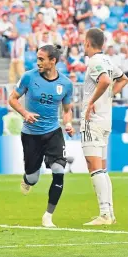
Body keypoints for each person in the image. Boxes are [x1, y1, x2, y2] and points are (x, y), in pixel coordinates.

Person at [9, 44, 74, 228]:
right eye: (37, 58)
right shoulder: (29, 77)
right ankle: (27, 179)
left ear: (52, 61)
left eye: (41, 59)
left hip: (53, 132)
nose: (37, 62)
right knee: (33, 178)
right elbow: (12, 99)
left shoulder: (66, 84)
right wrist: (25, 113)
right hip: (31, 135)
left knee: (59, 171)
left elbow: (67, 110)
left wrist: (68, 123)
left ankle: (48, 216)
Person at [80, 28, 128, 225]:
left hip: (93, 120)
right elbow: (123, 78)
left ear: (89, 43)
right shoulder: (108, 60)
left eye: (84, 42)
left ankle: (105, 214)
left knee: (94, 166)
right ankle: (109, 213)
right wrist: (109, 96)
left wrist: (92, 101)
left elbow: (106, 80)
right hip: (105, 119)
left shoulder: (95, 62)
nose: (83, 45)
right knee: (102, 168)